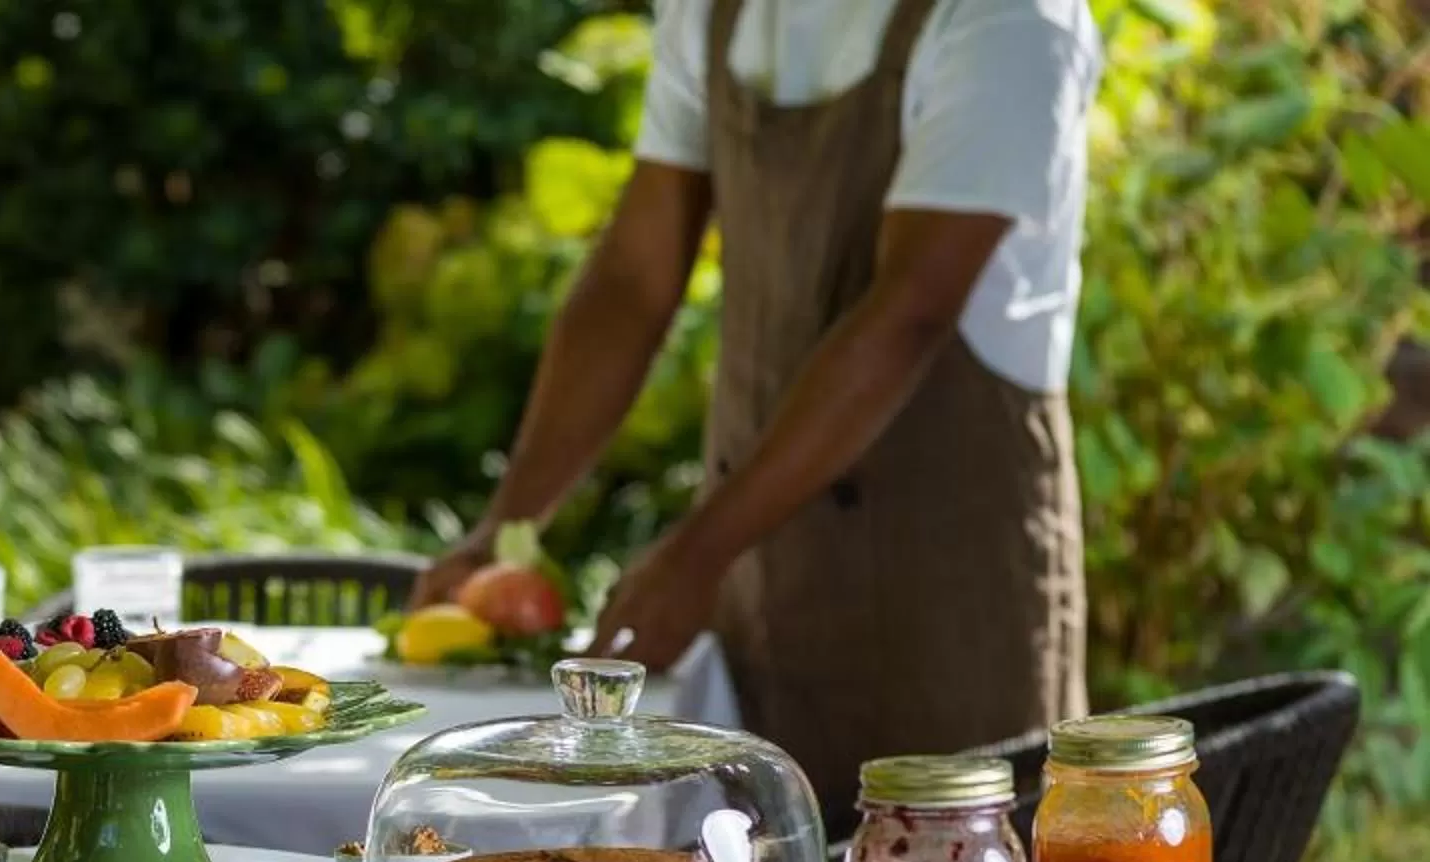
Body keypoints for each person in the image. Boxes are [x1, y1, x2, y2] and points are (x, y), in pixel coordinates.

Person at [413, 0, 1104, 809]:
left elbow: (909, 311)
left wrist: (698, 553)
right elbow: (635, 282)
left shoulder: (1010, 18)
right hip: (764, 579)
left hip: (951, 585)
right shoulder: (711, 13)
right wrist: (510, 529)